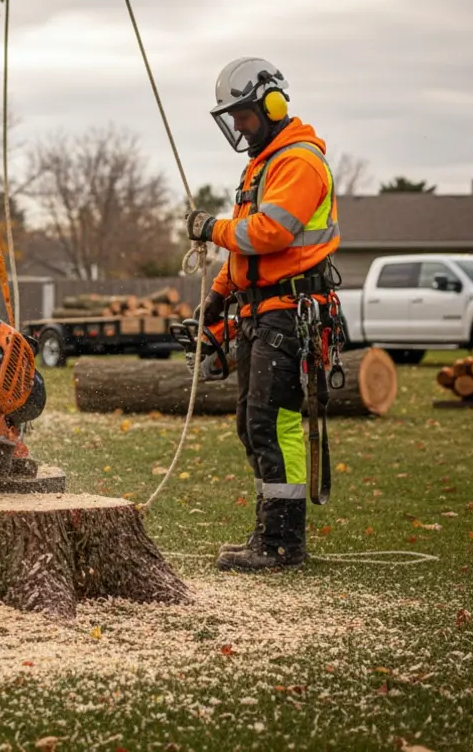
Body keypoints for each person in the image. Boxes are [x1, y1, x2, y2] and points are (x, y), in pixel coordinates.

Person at [183, 57, 342, 572]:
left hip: (289, 310)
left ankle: (282, 542)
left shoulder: (298, 162)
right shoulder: (262, 165)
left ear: (272, 104)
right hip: (262, 310)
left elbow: (268, 233)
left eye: (244, 115)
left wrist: (211, 228)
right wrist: (219, 296)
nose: (237, 125)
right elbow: (247, 253)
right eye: (232, 117)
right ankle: (267, 534)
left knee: (274, 423)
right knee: (253, 424)